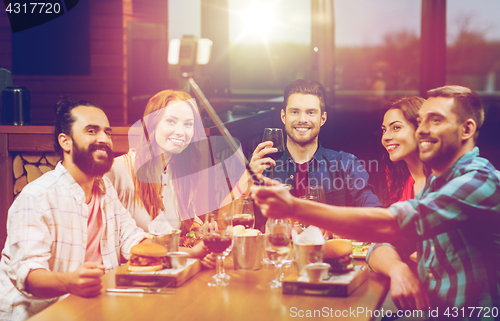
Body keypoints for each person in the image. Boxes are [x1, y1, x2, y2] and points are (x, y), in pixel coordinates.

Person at [252, 85, 499, 318]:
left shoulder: (479, 179)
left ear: (466, 130)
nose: (422, 129)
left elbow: (389, 223)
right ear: (283, 117)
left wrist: (294, 208)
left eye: (435, 120)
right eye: (421, 121)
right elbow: (381, 242)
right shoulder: (438, 183)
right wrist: (397, 268)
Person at [0, 98, 145, 320]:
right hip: (40, 314)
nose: (104, 139)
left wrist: (181, 254)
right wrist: (71, 282)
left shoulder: (104, 187)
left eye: (107, 132)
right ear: (65, 142)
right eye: (91, 131)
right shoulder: (36, 197)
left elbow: (132, 238)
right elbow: (28, 274)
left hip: (96, 308)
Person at [247, 79, 381, 229]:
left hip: (326, 251)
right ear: (283, 117)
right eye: (295, 112)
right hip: (276, 250)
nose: (302, 119)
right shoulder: (262, 165)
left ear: (322, 119)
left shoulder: (346, 163)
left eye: (311, 112)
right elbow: (225, 220)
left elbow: (373, 211)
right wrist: (246, 179)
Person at [105, 90, 215, 267]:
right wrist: (190, 253)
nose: (181, 132)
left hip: (170, 272)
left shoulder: (181, 172)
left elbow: (184, 222)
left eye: (188, 124)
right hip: (130, 278)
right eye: (171, 121)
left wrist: (199, 230)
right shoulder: (118, 170)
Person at [370, 97, 430, 314]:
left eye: (396, 128)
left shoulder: (449, 182)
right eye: (385, 130)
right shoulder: (403, 181)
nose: (386, 137)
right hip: (414, 292)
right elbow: (379, 245)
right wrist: (398, 268)